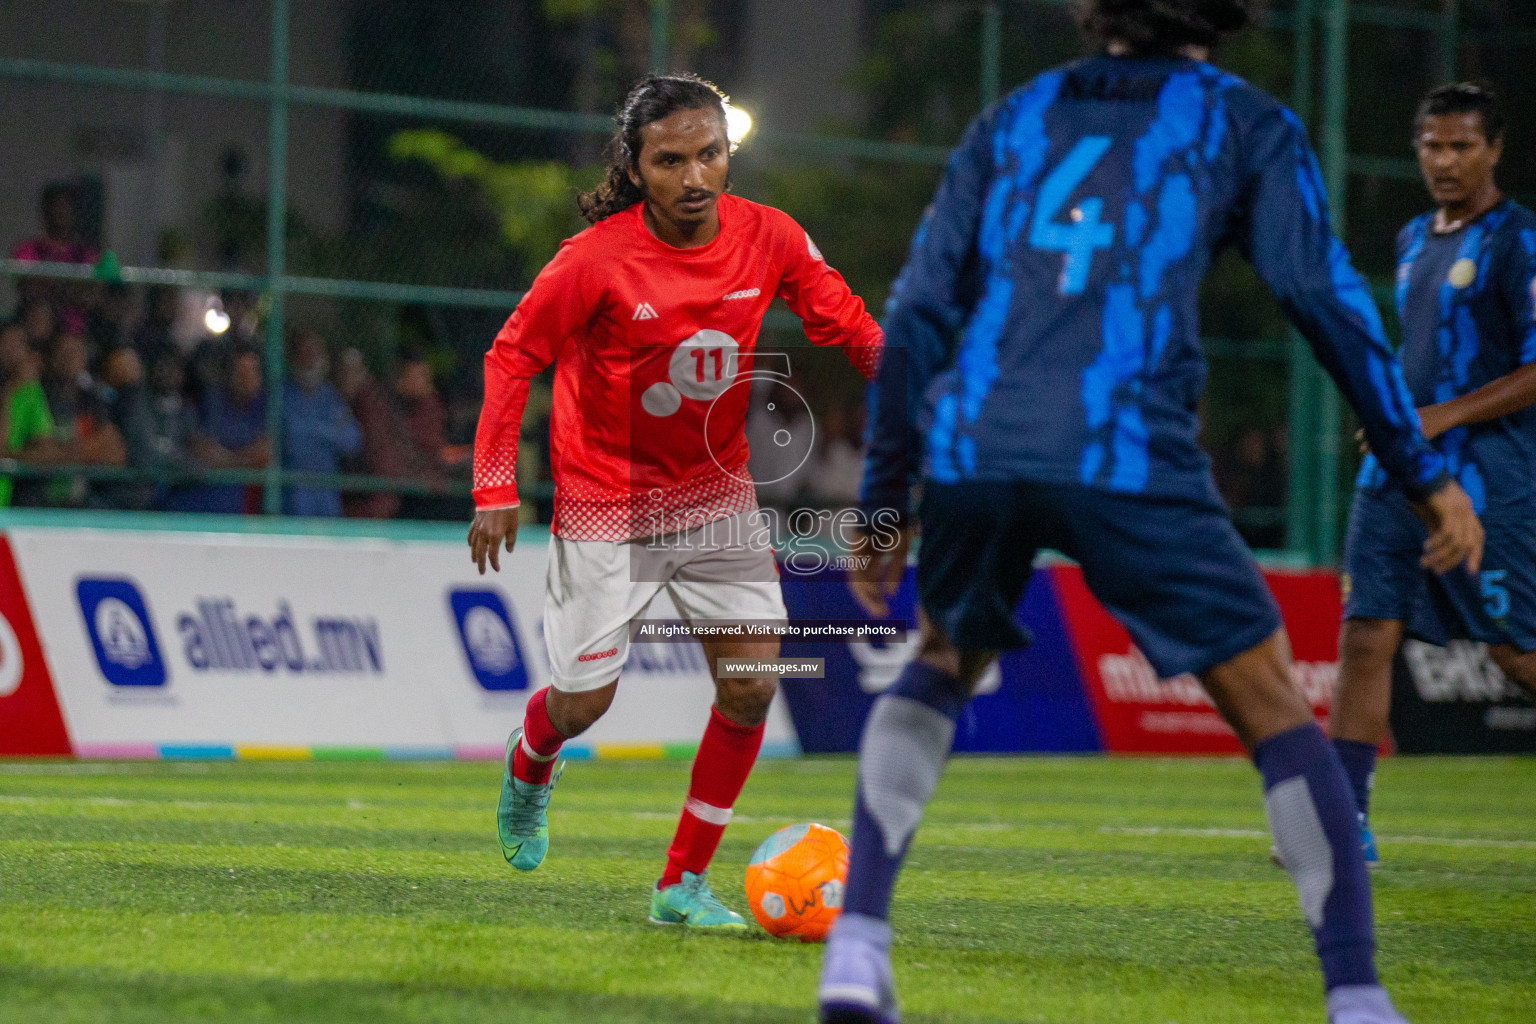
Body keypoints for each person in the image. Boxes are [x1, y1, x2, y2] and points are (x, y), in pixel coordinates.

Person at [818, 3, 1484, 1024]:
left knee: (943, 657)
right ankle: (1356, 997)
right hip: (1122, 442)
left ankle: (857, 946)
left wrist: (884, 498)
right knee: (1270, 707)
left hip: (977, 438)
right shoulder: (1240, 118)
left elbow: (915, 311)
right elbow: (1322, 294)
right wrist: (1419, 466)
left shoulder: (1017, 113)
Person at [467, 74, 882, 930]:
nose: (694, 177)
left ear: (729, 153)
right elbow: (512, 359)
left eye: (710, 155)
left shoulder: (769, 237)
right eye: (670, 160)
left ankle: (679, 885)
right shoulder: (593, 261)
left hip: (716, 493)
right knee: (583, 705)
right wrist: (494, 483)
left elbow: (846, 324)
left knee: (752, 686)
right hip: (605, 503)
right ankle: (531, 760)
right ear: (635, 164)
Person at [1331, 82, 1536, 865]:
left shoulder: (1518, 241)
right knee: (1366, 633)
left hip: (1488, 479)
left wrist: (1444, 416)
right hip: (1399, 471)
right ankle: (1343, 821)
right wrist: (1393, 418)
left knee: (1514, 653)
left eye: (1460, 146)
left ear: (1494, 150)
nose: (1443, 160)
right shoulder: (1415, 236)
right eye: (1430, 145)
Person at [172, 347, 269, 514]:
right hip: (195, 506)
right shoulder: (211, 400)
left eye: (253, 373)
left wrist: (227, 459)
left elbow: (263, 456)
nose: (248, 380)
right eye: (241, 374)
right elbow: (204, 454)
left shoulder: (261, 407)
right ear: (229, 375)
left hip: (234, 510)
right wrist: (243, 460)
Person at [282, 329, 361, 517]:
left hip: (327, 495)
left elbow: (353, 440)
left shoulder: (330, 396)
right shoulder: (283, 394)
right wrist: (331, 431)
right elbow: (294, 440)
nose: (310, 360)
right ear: (294, 357)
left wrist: (314, 430)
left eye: (315, 353)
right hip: (293, 494)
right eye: (305, 353)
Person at [11, 183, 99, 337]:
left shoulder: (85, 253)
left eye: (65, 206)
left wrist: (49, 284)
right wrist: (68, 287)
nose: (60, 212)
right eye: (55, 206)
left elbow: (88, 295)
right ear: (44, 211)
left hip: (74, 329)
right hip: (34, 326)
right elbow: (27, 286)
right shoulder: (27, 248)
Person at [0, 322, 60, 507]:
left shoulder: (28, 390)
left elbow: (47, 451)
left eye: (19, 344)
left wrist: (12, 457)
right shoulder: (15, 388)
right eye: (7, 344)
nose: (14, 352)